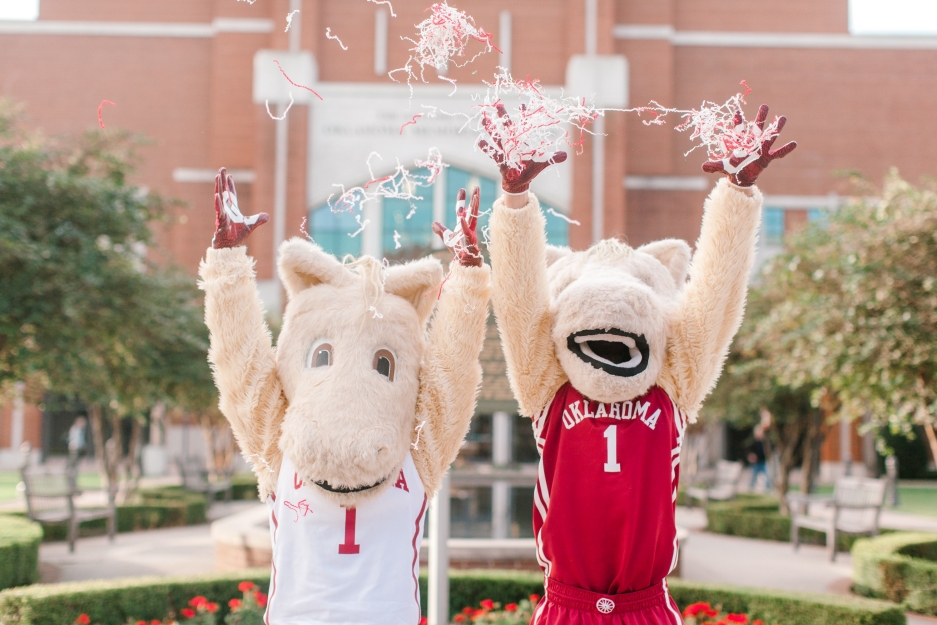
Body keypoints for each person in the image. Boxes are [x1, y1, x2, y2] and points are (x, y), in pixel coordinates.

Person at [748, 423, 771, 490]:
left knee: (767, 476)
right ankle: (751, 488)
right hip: (756, 462)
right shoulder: (753, 441)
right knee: (753, 476)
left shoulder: (765, 441)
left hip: (764, 461)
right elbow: (749, 451)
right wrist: (751, 455)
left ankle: (768, 489)